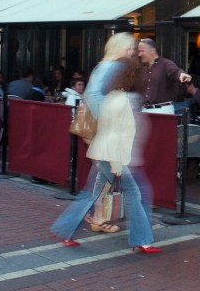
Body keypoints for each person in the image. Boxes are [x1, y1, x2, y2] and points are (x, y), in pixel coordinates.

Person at [51, 57, 161, 253]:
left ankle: (64, 230)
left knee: (92, 195)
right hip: (112, 156)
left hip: (103, 152)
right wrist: (118, 165)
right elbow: (120, 134)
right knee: (133, 194)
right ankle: (142, 240)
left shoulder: (112, 97)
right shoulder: (122, 100)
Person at [136, 38, 191, 113]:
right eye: (138, 51)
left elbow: (175, 71)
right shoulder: (142, 69)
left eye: (142, 51)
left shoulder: (166, 64)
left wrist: (182, 75)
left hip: (162, 110)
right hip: (144, 110)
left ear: (152, 51)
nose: (139, 54)